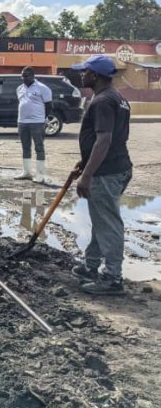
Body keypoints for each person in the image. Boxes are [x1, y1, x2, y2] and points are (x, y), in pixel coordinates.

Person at [69, 55, 132, 296]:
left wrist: (88, 175)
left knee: (108, 224)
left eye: (84, 71)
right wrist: (84, 164)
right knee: (102, 219)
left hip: (107, 172)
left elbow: (104, 139)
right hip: (114, 167)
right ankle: (91, 265)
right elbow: (105, 139)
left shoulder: (103, 101)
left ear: (95, 75)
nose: (80, 75)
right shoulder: (117, 98)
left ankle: (112, 278)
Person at [14, 67, 53, 183]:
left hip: (37, 122)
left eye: (26, 76)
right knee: (25, 147)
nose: (23, 78)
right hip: (22, 122)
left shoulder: (43, 88)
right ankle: (26, 172)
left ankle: (40, 174)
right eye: (22, 76)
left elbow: (49, 105)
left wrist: (42, 118)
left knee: (39, 148)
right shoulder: (19, 89)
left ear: (32, 76)